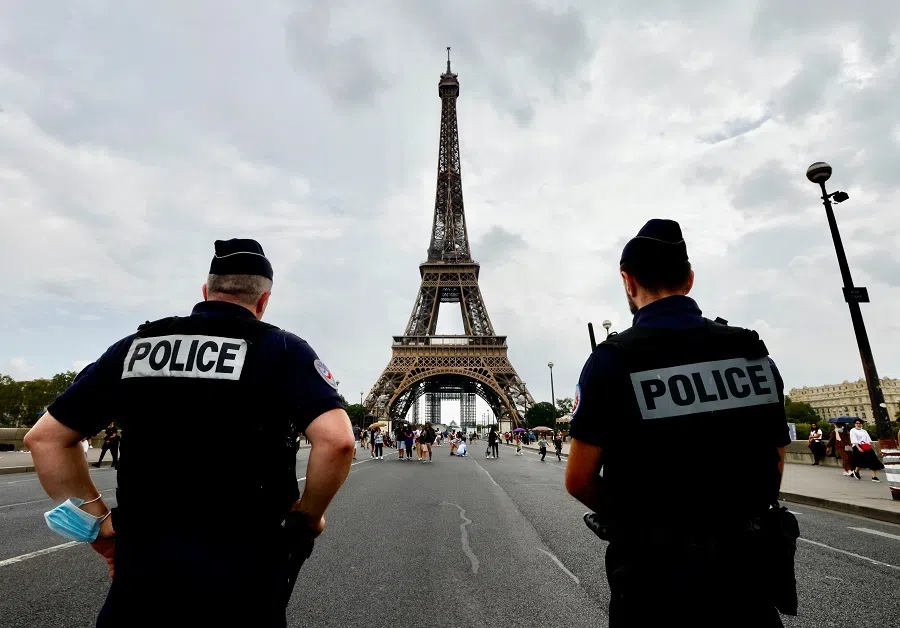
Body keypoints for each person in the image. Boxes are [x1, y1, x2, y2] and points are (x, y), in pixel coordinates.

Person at [25, 238, 356, 628]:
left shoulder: (136, 347)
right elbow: (338, 441)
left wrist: (97, 523)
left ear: (205, 292)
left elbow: (44, 439)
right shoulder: (282, 350)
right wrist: (307, 518)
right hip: (245, 568)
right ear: (263, 301)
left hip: (144, 569)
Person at [565, 219, 793, 627]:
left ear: (628, 282)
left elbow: (579, 480)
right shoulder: (752, 355)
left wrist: (641, 523)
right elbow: (775, 459)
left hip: (654, 577)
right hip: (745, 570)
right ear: (689, 280)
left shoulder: (611, 360)